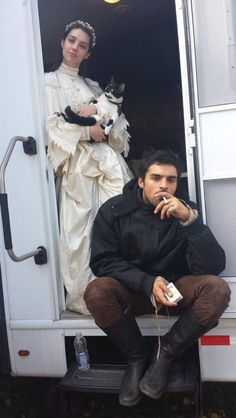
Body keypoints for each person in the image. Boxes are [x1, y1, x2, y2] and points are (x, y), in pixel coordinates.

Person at [84, 149, 231, 407]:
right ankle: (136, 357)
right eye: (156, 178)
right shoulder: (114, 210)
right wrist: (147, 282)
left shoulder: (186, 211)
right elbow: (103, 261)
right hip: (135, 290)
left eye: (171, 180)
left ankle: (165, 354)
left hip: (176, 290)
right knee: (97, 291)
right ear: (141, 181)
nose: (164, 185)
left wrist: (190, 222)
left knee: (217, 289)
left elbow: (213, 266)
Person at [45, 20, 133, 314]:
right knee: (78, 233)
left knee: (114, 225)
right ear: (62, 42)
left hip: (105, 163)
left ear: (88, 53)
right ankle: (85, 297)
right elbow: (48, 128)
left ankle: (118, 291)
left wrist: (104, 118)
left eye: (82, 45)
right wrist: (86, 132)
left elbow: (115, 125)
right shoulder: (46, 84)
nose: (75, 48)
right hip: (77, 170)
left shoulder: (94, 87)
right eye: (71, 40)